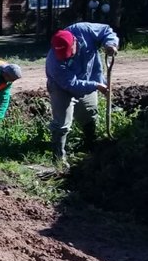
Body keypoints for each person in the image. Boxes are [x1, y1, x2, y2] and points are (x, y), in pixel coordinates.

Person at [46, 22, 119, 166]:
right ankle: (58, 158)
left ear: (75, 42)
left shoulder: (84, 30)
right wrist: (97, 85)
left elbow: (106, 31)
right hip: (62, 88)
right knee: (62, 124)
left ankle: (90, 147)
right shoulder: (54, 61)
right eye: (62, 55)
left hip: (88, 78)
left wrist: (110, 44)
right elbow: (72, 84)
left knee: (89, 113)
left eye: (68, 53)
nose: (65, 57)